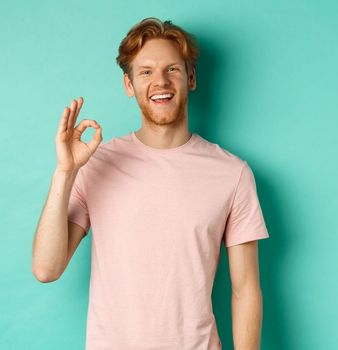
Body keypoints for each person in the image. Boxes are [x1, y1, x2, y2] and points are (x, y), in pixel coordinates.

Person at [31, 17, 269, 350]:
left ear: (191, 78)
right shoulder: (97, 164)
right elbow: (46, 267)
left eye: (172, 69)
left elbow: (245, 290)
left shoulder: (232, 173)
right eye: (145, 72)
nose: (160, 82)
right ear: (129, 85)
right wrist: (65, 172)